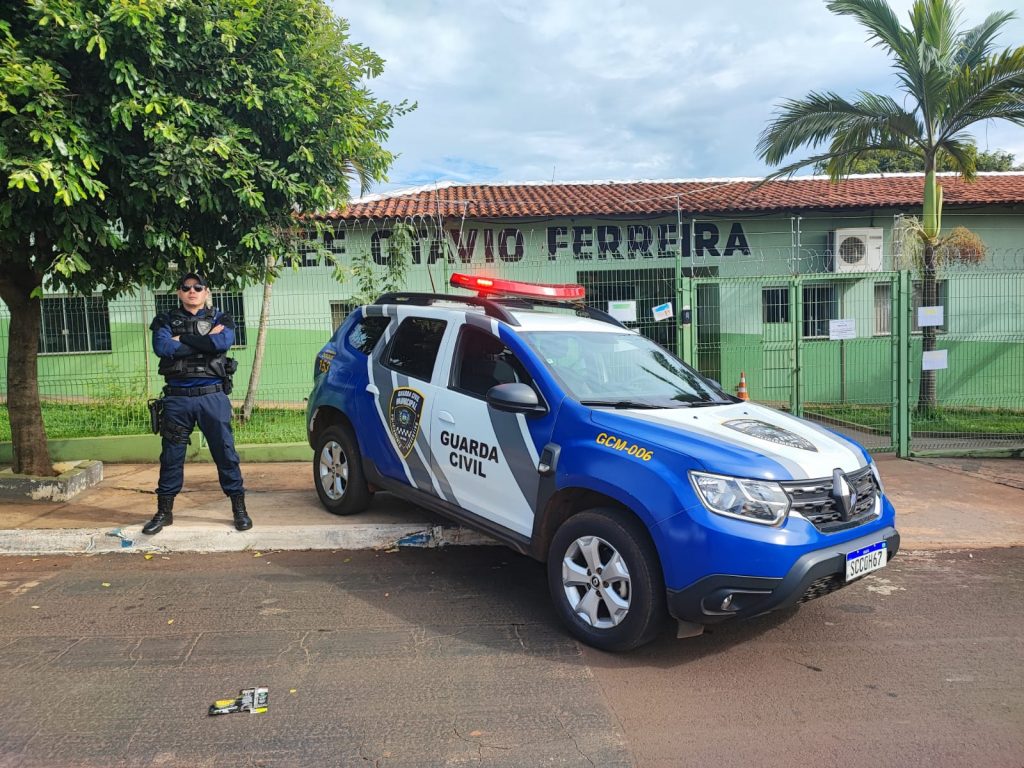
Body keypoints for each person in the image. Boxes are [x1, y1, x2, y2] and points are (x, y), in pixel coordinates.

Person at [142, 272, 251, 534]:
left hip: (212, 397)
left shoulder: (220, 318)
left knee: (225, 453)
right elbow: (164, 348)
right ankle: (164, 512)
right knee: (171, 456)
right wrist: (205, 342)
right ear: (179, 292)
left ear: (206, 292)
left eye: (197, 287)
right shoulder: (165, 320)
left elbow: (222, 342)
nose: (192, 291)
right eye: (186, 287)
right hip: (177, 400)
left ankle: (239, 509)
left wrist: (184, 339)